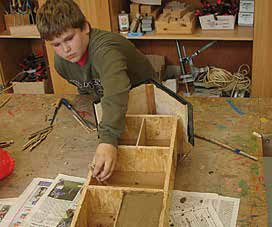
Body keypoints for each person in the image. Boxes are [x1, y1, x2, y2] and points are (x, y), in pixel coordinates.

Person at [36, 0, 155, 182]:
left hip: (145, 98)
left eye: (69, 38)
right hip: (109, 103)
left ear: (85, 27)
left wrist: (107, 140)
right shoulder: (62, 63)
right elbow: (86, 86)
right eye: (56, 44)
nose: (66, 49)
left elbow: (116, 93)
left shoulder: (106, 51)